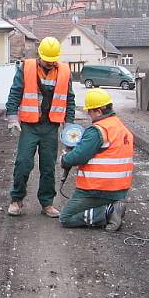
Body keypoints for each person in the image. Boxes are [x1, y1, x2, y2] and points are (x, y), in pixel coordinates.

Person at [5, 37, 76, 217]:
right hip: (30, 125)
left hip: (50, 126)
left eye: (53, 61)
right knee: (23, 163)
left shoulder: (64, 72)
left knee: (48, 167)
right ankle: (17, 200)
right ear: (40, 56)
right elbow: (15, 93)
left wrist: (68, 127)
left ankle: (47, 203)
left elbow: (69, 100)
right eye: (47, 60)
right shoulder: (26, 68)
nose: (50, 63)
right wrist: (13, 118)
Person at [59, 88, 134, 231]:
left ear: (99, 111)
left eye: (90, 111)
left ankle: (108, 212)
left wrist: (64, 159)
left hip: (97, 189)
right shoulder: (120, 127)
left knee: (66, 218)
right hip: (119, 189)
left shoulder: (97, 130)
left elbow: (78, 156)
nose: (89, 114)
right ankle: (110, 207)